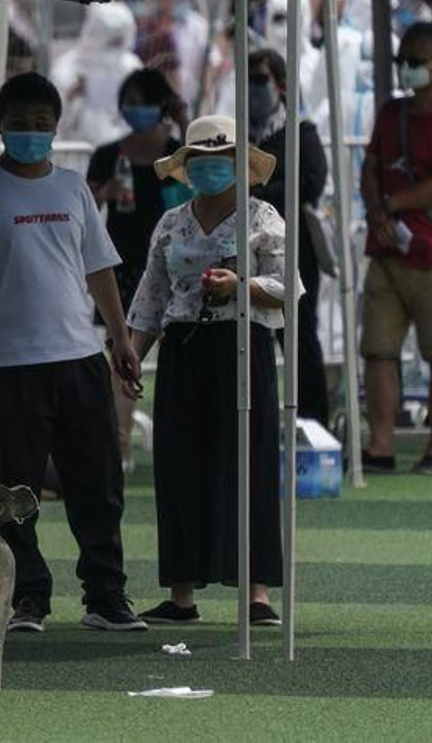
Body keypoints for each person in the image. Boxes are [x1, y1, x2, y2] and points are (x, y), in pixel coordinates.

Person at [0, 72, 144, 634]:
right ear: (0, 125)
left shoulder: (73, 187)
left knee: (98, 483)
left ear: (56, 127)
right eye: (20, 125)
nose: (31, 133)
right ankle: (28, 595)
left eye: (41, 125)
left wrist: (120, 336)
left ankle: (106, 595)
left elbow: (99, 267)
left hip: (79, 354)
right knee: (13, 489)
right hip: (8, 362)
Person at [126, 116, 288, 626]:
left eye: (223, 163)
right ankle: (181, 594)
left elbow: (289, 286)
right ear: (187, 169)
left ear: (240, 168)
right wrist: (132, 351)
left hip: (244, 344)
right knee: (179, 466)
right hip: (183, 348)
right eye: (202, 163)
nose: (212, 171)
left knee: (249, 462)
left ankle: (257, 592)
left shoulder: (263, 217)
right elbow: (152, 296)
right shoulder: (172, 223)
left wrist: (241, 284)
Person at [360, 22, 432, 475]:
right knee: (378, 349)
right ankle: (382, 445)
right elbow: (370, 167)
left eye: (415, 62)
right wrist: (378, 214)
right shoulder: (392, 112)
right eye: (401, 62)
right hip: (386, 248)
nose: (407, 70)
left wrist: (390, 205)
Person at [248, 48, 331, 427]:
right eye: (247, 79)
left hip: (293, 248)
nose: (252, 88)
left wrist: (256, 192)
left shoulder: (301, 132)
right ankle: (260, 424)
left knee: (298, 336)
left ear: (281, 85)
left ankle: (312, 422)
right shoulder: (236, 133)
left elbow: (310, 183)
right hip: (246, 251)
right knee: (251, 339)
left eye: (260, 79)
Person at [86, 69, 190, 310]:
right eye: (129, 102)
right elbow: (85, 209)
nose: (134, 109)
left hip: (170, 259)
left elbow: (197, 179)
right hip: (122, 262)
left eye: (142, 102)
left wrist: (184, 122)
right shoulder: (107, 155)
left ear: (160, 105)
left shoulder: (176, 153)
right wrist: (104, 194)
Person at [50, 2, 143, 147]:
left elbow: (137, 119)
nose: (113, 52)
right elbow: (55, 121)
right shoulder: (66, 69)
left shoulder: (131, 68)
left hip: (119, 153)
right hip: (76, 155)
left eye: (118, 44)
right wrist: (72, 97)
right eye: (109, 44)